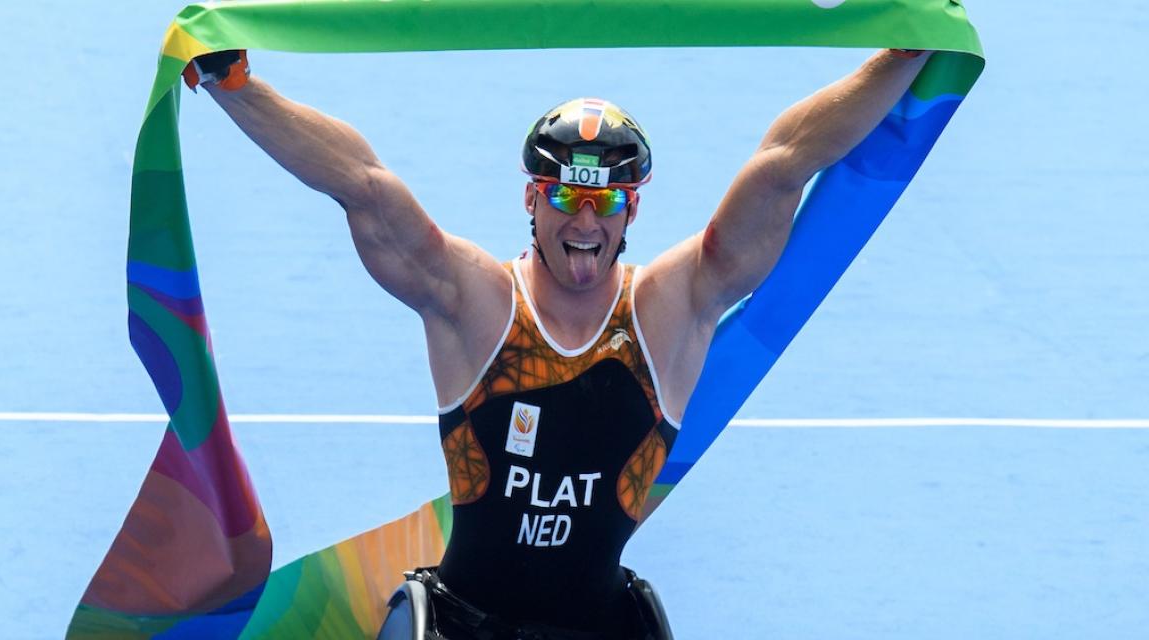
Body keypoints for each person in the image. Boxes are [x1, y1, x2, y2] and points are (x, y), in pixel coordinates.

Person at [185, 47, 929, 639]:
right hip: (456, 627)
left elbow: (784, 164)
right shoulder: (473, 304)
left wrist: (901, 56)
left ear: (630, 206)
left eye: (605, 201)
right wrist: (237, 83)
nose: (584, 223)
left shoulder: (672, 309)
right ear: (532, 199)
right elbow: (364, 185)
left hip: (600, 627)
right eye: (566, 197)